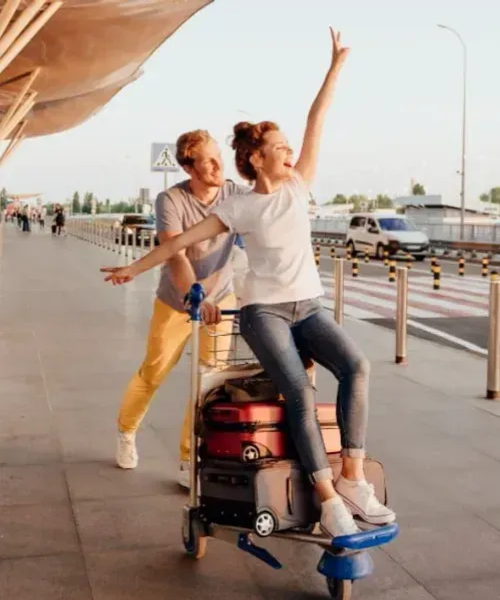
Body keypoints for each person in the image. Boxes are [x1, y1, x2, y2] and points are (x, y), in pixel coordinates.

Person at [101, 29, 395, 539]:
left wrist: (334, 69)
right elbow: (178, 245)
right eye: (279, 148)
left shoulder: (298, 183)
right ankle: (327, 500)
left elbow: (316, 119)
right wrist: (134, 268)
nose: (289, 153)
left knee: (357, 365)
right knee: (296, 392)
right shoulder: (235, 206)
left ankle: (351, 477)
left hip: (308, 305)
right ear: (258, 158)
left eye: (287, 147)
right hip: (262, 311)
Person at [111, 129, 248, 487]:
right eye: (209, 160)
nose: (219, 166)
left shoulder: (235, 193)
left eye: (220, 156)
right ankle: (126, 433)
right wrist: (197, 297)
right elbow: (176, 255)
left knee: (209, 381)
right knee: (153, 372)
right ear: (190, 167)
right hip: (177, 301)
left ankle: (190, 458)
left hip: (221, 301)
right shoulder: (170, 200)